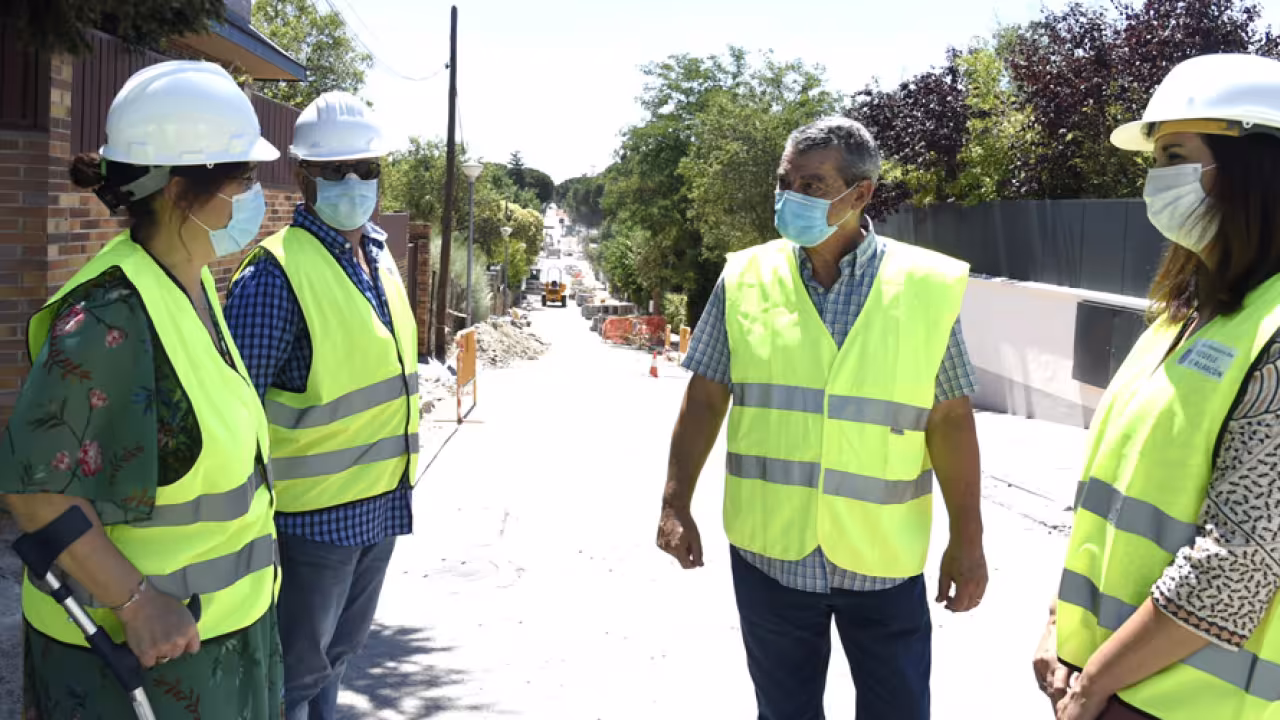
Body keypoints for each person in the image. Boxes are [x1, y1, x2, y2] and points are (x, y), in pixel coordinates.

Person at [656, 116, 988, 720]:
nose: (790, 197)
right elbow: (705, 397)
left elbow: (950, 421)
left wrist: (968, 539)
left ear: (859, 195)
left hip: (881, 564)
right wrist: (674, 503)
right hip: (771, 558)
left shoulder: (925, 286)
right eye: (785, 181)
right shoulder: (745, 278)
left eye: (812, 184)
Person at [0, 60, 283, 718]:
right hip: (136, 664)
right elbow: (35, 488)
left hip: (219, 641)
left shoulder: (189, 283)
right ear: (183, 189)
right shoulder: (108, 318)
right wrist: (132, 599)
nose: (253, 195)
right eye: (244, 179)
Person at [1032, 53, 1280, 720]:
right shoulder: (1184, 315)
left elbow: (1238, 565)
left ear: (1255, 168)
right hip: (1102, 684)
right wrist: (1060, 624)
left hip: (1181, 703)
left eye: (1172, 154)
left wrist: (1093, 684)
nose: (1155, 180)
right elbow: (1110, 504)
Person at [223, 90, 419, 720]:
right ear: (303, 176)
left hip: (381, 508)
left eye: (367, 169)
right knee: (290, 678)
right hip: (309, 526)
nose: (354, 182)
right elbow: (232, 412)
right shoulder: (274, 275)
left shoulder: (380, 255)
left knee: (334, 661)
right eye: (336, 171)